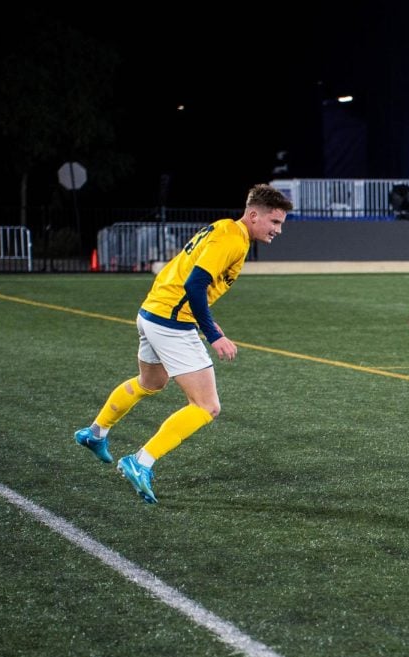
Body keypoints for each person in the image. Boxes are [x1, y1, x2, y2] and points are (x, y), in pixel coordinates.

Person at [74, 184, 294, 503]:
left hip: (152, 312)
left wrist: (203, 319)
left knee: (150, 382)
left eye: (281, 224)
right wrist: (213, 334)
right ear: (253, 214)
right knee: (207, 406)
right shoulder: (232, 239)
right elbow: (195, 284)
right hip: (170, 323)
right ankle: (141, 461)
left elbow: (186, 274)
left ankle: (95, 433)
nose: (278, 230)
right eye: (275, 222)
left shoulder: (224, 229)